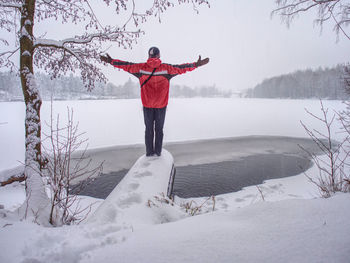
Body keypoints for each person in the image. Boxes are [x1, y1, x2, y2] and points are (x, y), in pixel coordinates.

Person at [100, 47, 209, 157]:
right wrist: (196, 64)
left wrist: (111, 61)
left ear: (149, 56)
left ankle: (149, 153)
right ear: (159, 56)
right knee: (159, 129)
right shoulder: (167, 69)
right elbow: (182, 68)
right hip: (161, 105)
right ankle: (158, 152)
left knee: (148, 130)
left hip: (147, 105)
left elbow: (126, 65)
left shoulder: (141, 68)